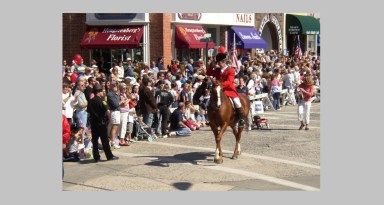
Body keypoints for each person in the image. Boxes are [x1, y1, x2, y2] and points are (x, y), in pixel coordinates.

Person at [206, 53, 248, 127]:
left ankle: (241, 119)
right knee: (210, 102)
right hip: (219, 90)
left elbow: (230, 81)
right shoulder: (217, 70)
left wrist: (220, 85)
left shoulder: (231, 70)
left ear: (224, 62)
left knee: (237, 102)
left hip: (229, 90)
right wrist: (211, 65)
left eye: (220, 62)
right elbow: (208, 73)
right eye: (218, 63)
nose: (219, 64)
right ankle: (210, 118)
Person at [87, 84, 119, 162]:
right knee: (104, 140)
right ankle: (109, 156)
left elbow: (88, 112)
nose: (103, 92)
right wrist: (109, 120)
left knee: (95, 141)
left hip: (93, 123)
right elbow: (108, 111)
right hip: (101, 123)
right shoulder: (102, 101)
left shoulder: (90, 101)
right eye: (102, 91)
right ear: (99, 92)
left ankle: (96, 157)